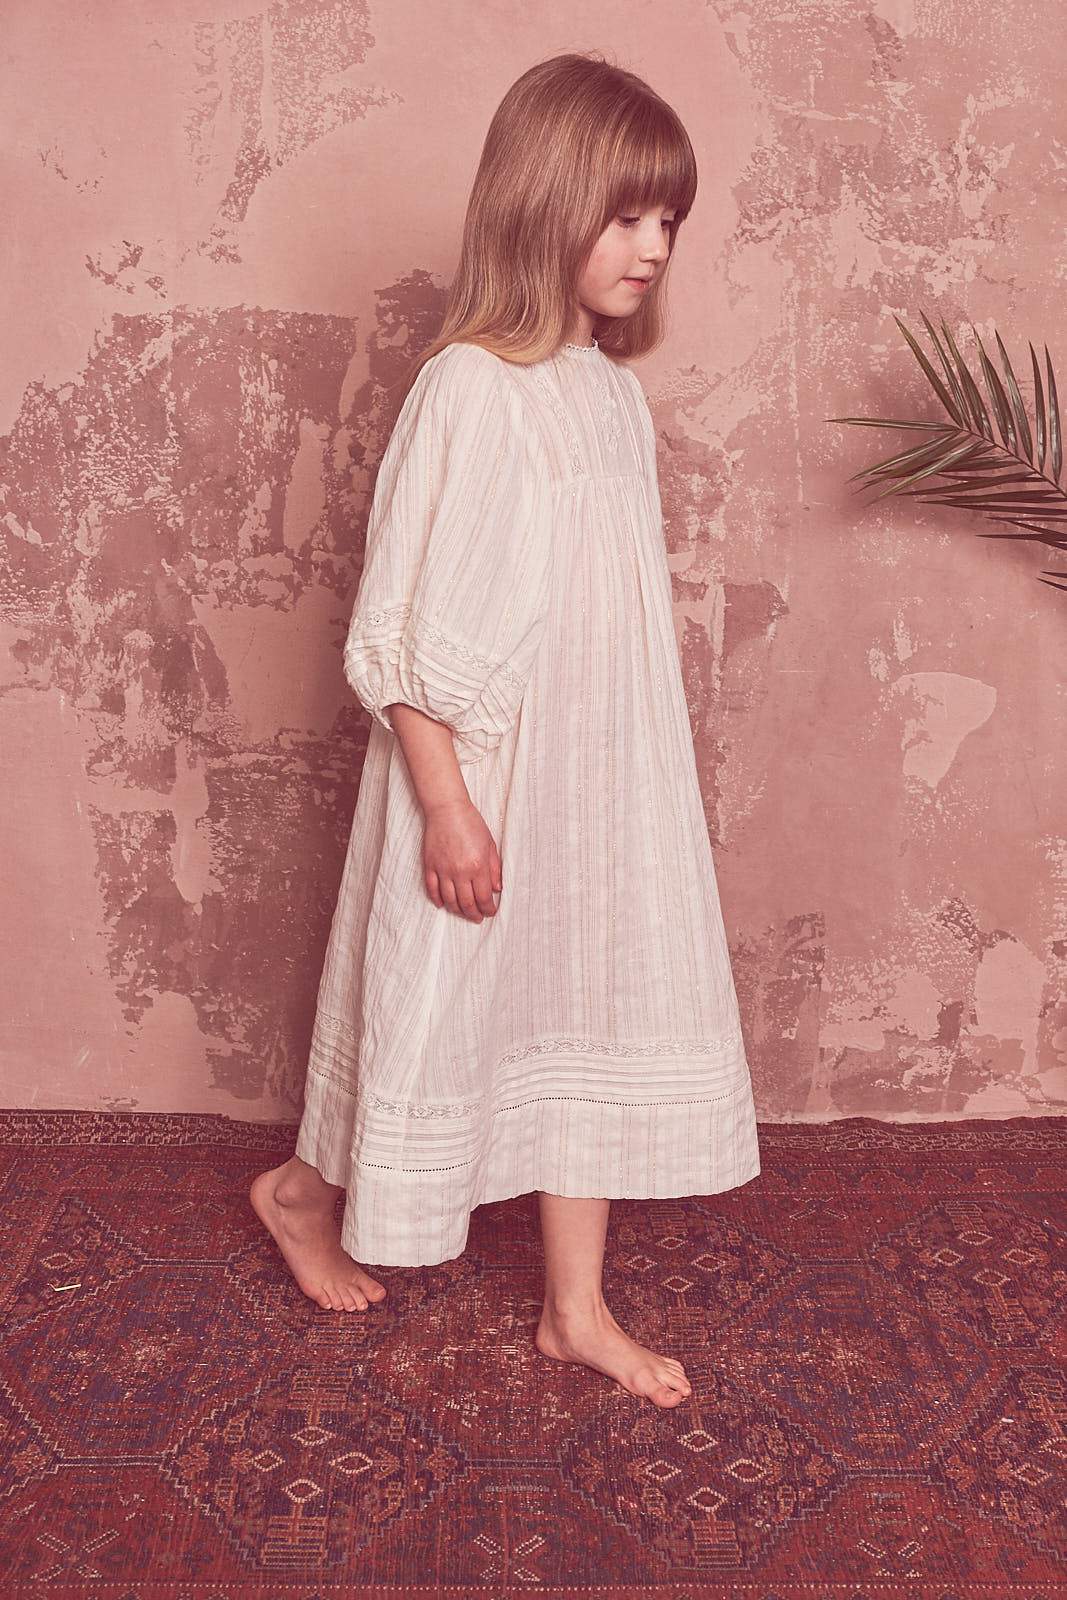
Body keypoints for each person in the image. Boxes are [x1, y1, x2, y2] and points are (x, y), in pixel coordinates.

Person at [251, 50, 760, 1409]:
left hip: (591, 774)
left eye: (669, 220)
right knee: (432, 1004)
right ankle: (301, 1194)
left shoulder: (607, 390)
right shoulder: (471, 386)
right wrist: (447, 803)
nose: (653, 247)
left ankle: (574, 1312)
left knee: (579, 1004)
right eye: (625, 214)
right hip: (475, 773)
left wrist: (625, 779)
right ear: (543, 204)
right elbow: (404, 621)